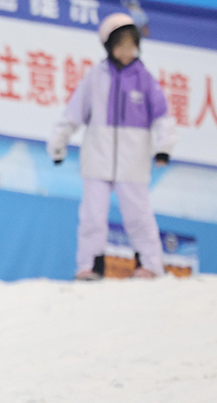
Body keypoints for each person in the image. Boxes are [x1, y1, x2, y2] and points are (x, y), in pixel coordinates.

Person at [47, 13, 176, 281]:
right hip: (97, 158)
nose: (127, 51)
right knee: (92, 216)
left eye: (132, 45)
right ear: (108, 46)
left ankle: (149, 265)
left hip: (133, 161)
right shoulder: (95, 77)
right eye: (121, 45)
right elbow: (73, 114)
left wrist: (164, 147)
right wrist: (58, 142)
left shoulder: (145, 79)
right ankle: (90, 266)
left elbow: (163, 117)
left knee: (139, 216)